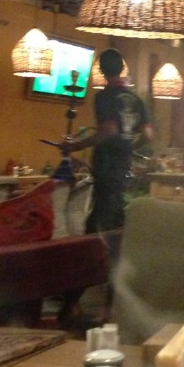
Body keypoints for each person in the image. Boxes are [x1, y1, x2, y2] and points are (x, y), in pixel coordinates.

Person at [61, 48, 154, 234]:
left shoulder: (104, 96)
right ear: (122, 68)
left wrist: (75, 146)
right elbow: (148, 134)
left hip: (106, 161)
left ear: (101, 69)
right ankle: (115, 244)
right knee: (114, 208)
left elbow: (109, 130)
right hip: (123, 162)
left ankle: (95, 246)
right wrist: (130, 147)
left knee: (101, 214)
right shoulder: (137, 99)